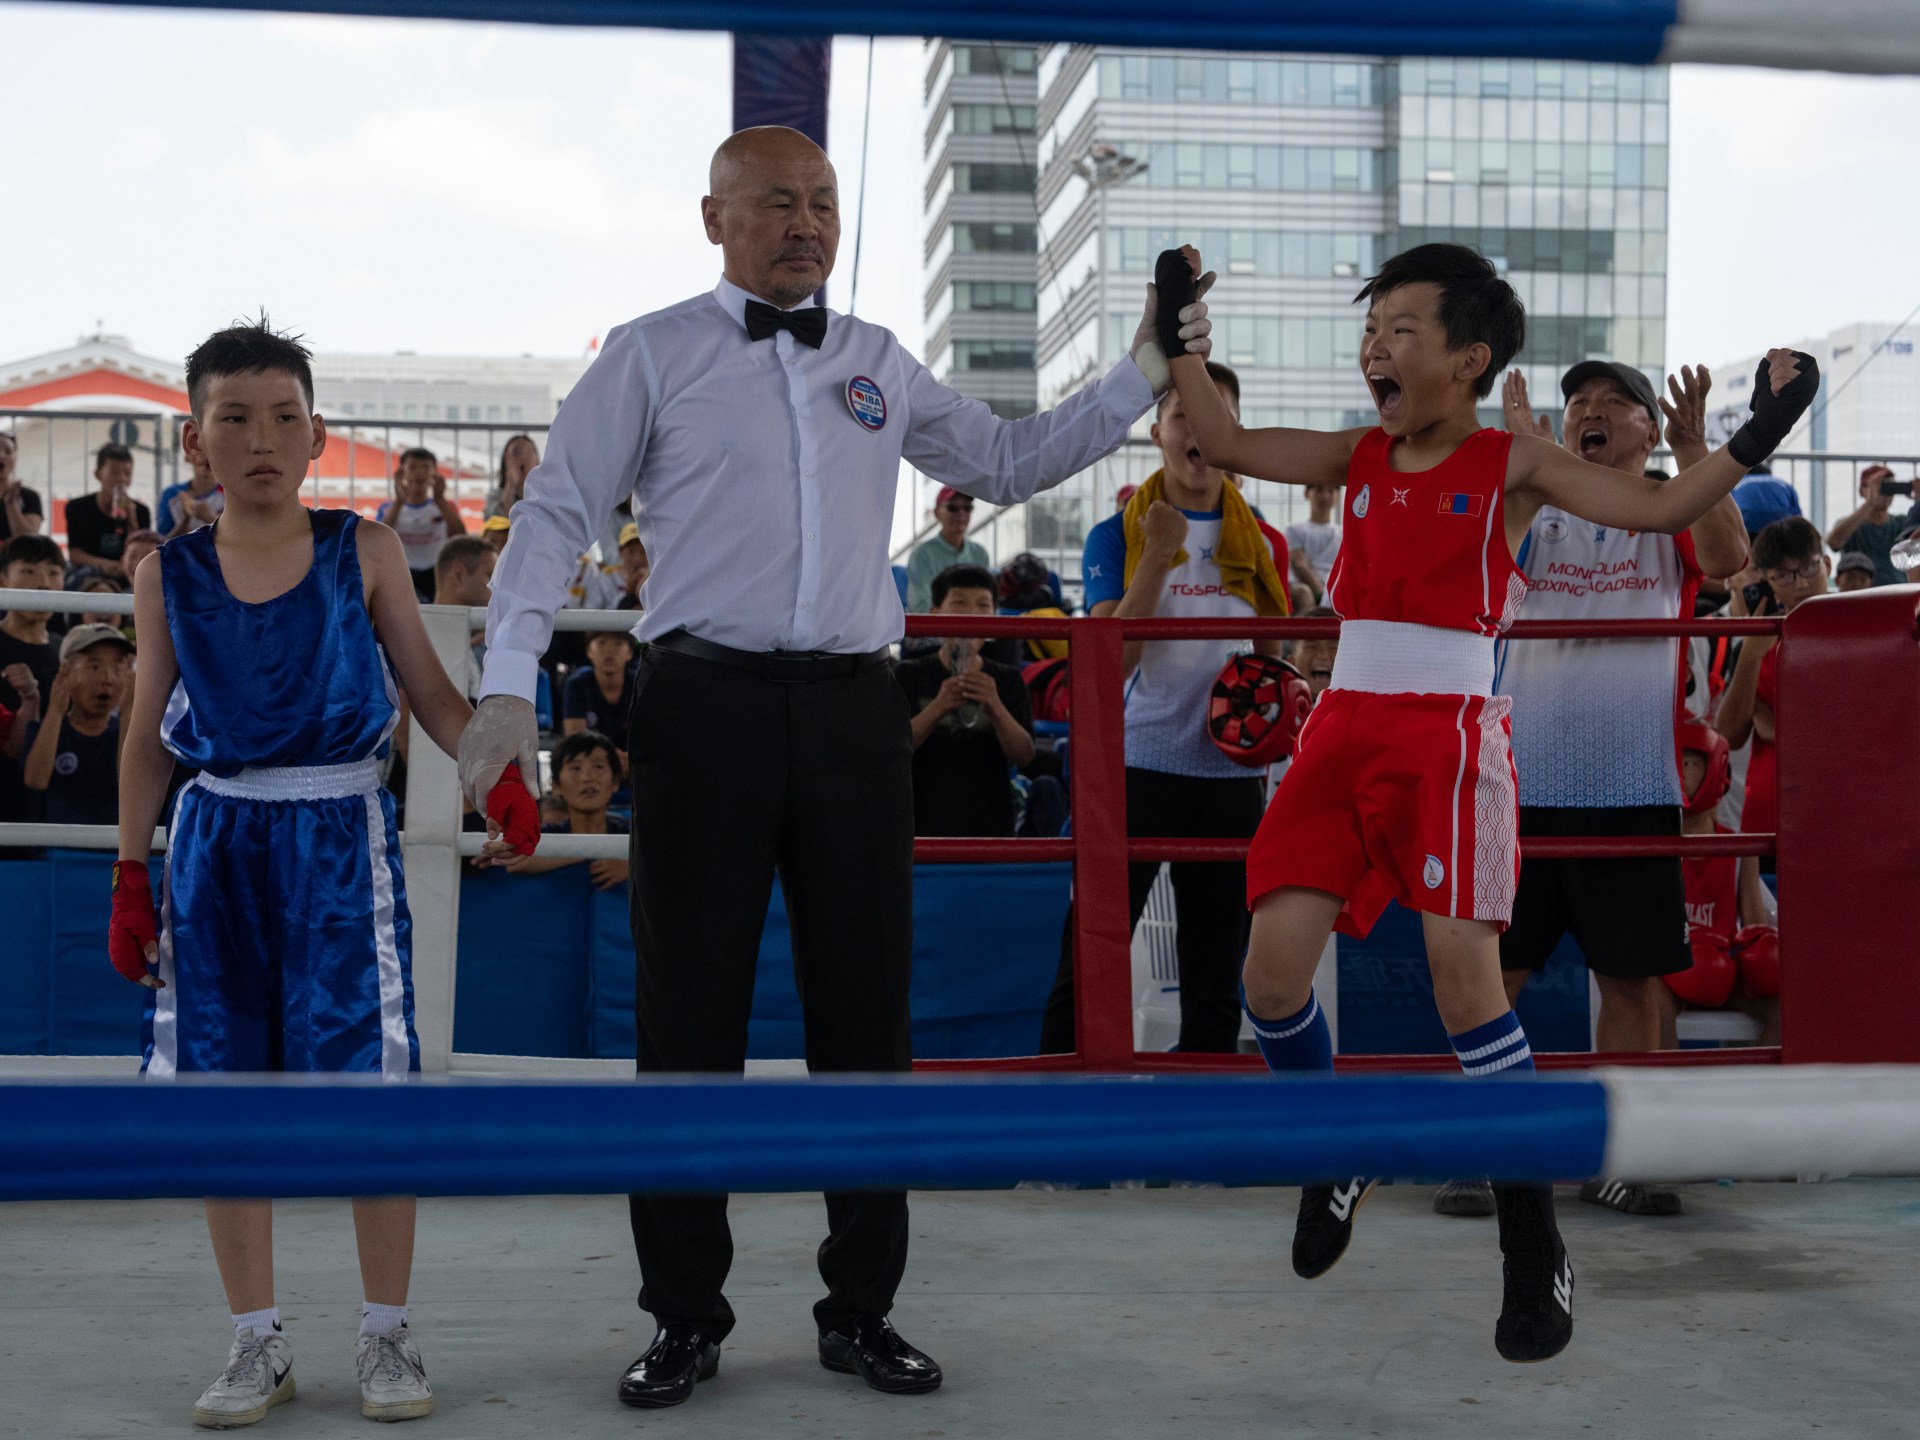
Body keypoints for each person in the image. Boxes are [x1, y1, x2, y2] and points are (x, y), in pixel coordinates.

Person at [457, 124, 1203, 1411]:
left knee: (871, 1021)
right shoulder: (653, 352)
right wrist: (505, 696)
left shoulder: (873, 359)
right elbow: (555, 524)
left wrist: (1148, 362)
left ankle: (862, 1309)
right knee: (689, 1022)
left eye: (824, 203)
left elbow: (1012, 460)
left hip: (861, 711)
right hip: (703, 706)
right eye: (778, 204)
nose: (807, 223)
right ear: (715, 218)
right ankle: (684, 1316)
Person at [1164, 238, 1815, 1364]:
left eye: (1401, 330)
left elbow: (1663, 518)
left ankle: (1533, 1249)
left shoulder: (1513, 462)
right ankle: (1335, 1148)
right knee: (1268, 977)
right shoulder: (1360, 451)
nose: (1377, 347)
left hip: (1450, 733)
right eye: (1371, 332)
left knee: (1469, 991)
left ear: (1467, 359)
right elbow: (1220, 439)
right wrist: (1178, 333)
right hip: (1343, 727)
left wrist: (1754, 433)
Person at [107, 319, 530, 1430]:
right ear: (195, 441)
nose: (262, 438)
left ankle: (385, 1329)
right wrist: (127, 874)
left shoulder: (369, 550)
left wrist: (497, 777)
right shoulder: (170, 576)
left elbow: (436, 699)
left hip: (342, 840)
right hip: (213, 849)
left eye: (283, 416)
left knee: (372, 1091)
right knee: (222, 1098)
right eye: (234, 418)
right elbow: (146, 733)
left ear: (317, 434)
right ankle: (256, 1343)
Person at [1455, 359, 1749, 1220]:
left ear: (1648, 431)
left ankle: (1621, 1157)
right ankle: (1491, 1155)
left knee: (1631, 985)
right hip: (1520, 787)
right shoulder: (1532, 510)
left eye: (1615, 403)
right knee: (1493, 977)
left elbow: (1730, 560)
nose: (1591, 412)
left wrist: (1700, 449)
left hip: (1630, 786)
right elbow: (1471, 550)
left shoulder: (1668, 507)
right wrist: (1522, 461)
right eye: (1579, 401)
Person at [1040, 360, 1291, 1057]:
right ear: (1157, 432)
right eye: (1184, 414)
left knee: (1215, 976)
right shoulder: (1114, 533)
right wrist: (1156, 556)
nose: (1197, 430)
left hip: (1230, 779)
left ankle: (1198, 1148)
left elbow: (1273, 666)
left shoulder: (1265, 541)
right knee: (1089, 956)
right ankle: (1057, 1141)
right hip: (1134, 770)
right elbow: (1107, 665)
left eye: (1213, 414)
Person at [1715, 517, 1828, 877]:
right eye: (1784, 575)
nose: (1802, 583)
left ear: (1826, 564)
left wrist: (1773, 722)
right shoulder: (1756, 645)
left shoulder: (1865, 634)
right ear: (1767, 582)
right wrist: (1750, 654)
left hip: (1845, 814)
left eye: (1809, 567)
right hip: (1772, 818)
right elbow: (1729, 737)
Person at [1657, 720, 1779, 1047]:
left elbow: (1754, 923)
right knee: (1652, 1003)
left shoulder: (1738, 848)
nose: (1682, 773)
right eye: (1676, 764)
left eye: (1690, 764)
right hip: (1671, 970)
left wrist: (1759, 957)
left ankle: (1761, 1093)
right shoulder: (1656, 845)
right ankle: (1666, 1095)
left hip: (1722, 968)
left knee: (1783, 1004)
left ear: (1715, 770)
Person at [894, 564, 1035, 837]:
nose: (972, 614)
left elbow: (1024, 755)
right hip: (919, 825)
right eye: (959, 603)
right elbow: (891, 750)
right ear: (936, 613)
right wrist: (938, 707)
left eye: (983, 605)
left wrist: (995, 707)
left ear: (994, 615)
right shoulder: (907, 674)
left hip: (990, 826)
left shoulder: (1007, 679)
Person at [22, 622, 132, 825]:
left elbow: (132, 788)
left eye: (117, 668)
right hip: (56, 852)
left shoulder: (128, 735)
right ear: (65, 671)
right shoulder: (47, 731)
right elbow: (35, 781)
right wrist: (55, 709)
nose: (107, 679)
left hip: (115, 851)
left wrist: (129, 712)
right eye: (94, 666)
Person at [496, 729, 631, 890]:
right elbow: (517, 862)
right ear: (556, 786)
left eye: (598, 766)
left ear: (615, 782)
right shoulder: (544, 835)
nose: (587, 777)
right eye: (575, 768)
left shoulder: (633, 833)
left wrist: (631, 866)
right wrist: (592, 852)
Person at [0, 534, 66, 827]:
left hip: (55, 804)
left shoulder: (66, 651)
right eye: (28, 570)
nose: (43, 583)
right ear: (3, 579)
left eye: (53, 573)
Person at [376, 447, 467, 602]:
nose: (419, 473)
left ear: (434, 473)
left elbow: (460, 536)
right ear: (401, 472)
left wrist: (440, 501)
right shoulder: (388, 508)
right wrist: (399, 502)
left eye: (425, 467)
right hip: (402, 571)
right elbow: (379, 539)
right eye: (412, 467)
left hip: (437, 572)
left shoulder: (445, 506)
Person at [64, 443, 153, 576]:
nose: (121, 479)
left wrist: (132, 521)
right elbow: (75, 554)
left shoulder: (141, 511)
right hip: (91, 571)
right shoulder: (78, 507)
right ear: (98, 474)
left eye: (127, 473)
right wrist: (105, 564)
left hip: (127, 573)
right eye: (114, 472)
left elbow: (143, 554)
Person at [1826, 464, 1914, 586]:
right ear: (1861, 491)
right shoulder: (1851, 525)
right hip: (1862, 595)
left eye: (1890, 487)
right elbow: (1833, 543)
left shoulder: (1903, 523)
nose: (1885, 493)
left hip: (1899, 594)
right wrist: (1869, 503)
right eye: (1880, 487)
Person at [905, 486, 990, 612]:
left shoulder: (980, 553)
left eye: (967, 508)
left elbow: (988, 598)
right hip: (935, 629)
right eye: (953, 508)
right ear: (937, 513)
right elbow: (920, 606)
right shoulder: (921, 555)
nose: (961, 514)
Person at [562, 631, 638, 764]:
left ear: (630, 653)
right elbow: (576, 738)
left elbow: (650, 737)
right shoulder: (577, 684)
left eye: (618, 643)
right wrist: (611, 758)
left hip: (634, 762)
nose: (609, 650)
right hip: (591, 760)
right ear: (589, 651)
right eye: (601, 643)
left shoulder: (639, 683)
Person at [1283, 483, 1343, 599]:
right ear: (1307, 493)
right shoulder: (1293, 529)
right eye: (1319, 490)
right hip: (1307, 590)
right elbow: (1299, 564)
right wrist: (1321, 593)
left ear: (1338, 497)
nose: (1325, 496)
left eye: (1331, 491)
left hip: (1335, 589)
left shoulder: (1343, 532)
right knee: (1303, 594)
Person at [160, 455, 225, 538]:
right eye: (198, 449)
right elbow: (162, 543)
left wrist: (209, 518)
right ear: (187, 456)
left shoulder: (231, 493)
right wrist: (185, 520)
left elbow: (239, 539)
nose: (206, 457)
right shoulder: (171, 495)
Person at [0, 431, 46, 540]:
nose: (1, 455)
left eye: (7, 451)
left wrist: (11, 503)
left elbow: (28, 540)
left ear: (14, 459)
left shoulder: (29, 496)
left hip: (14, 557)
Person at [484, 433, 541, 521]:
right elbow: (496, 522)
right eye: (517, 452)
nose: (523, 458)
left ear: (537, 460)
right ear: (505, 460)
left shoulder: (544, 495)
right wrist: (511, 484)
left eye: (529, 453)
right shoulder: (495, 495)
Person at [616, 521, 650, 610]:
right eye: (632, 552)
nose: (638, 558)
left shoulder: (657, 577)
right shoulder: (607, 578)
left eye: (643, 551)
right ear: (620, 552)